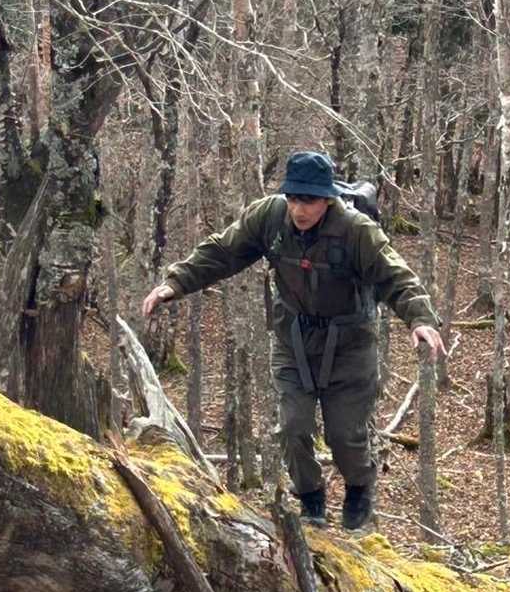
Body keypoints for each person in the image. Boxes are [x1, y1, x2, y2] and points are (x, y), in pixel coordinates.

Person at [142, 150, 446, 529]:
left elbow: (396, 275)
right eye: (293, 198)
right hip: (294, 341)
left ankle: (358, 488)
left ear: (328, 199)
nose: (300, 210)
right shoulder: (270, 218)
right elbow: (223, 250)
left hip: (350, 346)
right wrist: (176, 282)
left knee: (345, 434)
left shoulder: (356, 231)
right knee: (292, 426)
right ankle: (310, 500)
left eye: (310, 200)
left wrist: (419, 319)